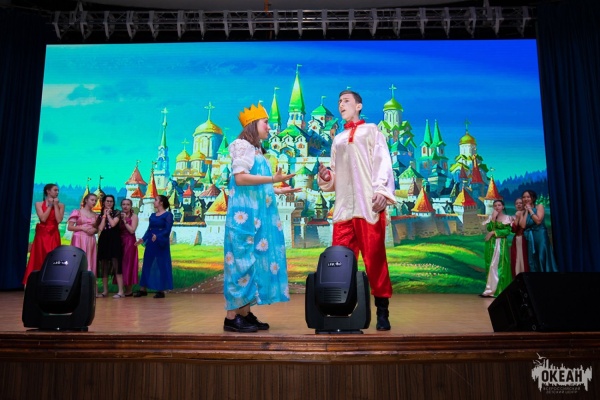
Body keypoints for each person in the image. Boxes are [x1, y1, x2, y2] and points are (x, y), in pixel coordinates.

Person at [317, 90, 396, 331]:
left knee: (375, 260)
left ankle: (382, 311)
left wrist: (381, 191)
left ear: (359, 106)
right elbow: (335, 173)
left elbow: (383, 162)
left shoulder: (371, 131)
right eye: (339, 101)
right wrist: (327, 177)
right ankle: (341, 310)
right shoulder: (338, 139)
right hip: (343, 209)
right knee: (340, 263)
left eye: (346, 101)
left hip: (367, 207)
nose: (341, 104)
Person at [223, 103, 300, 333]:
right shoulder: (241, 145)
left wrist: (277, 190)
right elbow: (240, 178)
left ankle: (244, 313)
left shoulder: (256, 151)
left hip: (255, 216)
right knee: (240, 263)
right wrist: (272, 180)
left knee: (252, 263)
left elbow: (254, 185)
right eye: (265, 122)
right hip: (244, 218)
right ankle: (231, 317)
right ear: (253, 124)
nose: (269, 127)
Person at [22, 183, 65, 285]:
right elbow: (43, 218)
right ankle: (35, 283)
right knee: (39, 257)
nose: (57, 192)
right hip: (42, 235)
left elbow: (59, 220)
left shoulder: (61, 205)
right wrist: (50, 205)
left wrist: (55, 205)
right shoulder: (38, 204)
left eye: (58, 190)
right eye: (55, 190)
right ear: (48, 191)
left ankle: (51, 282)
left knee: (52, 257)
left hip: (53, 234)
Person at [134, 195, 174, 298]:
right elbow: (149, 230)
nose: (153, 202)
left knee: (161, 265)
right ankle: (143, 289)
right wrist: (143, 239)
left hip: (161, 243)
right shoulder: (152, 215)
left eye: (156, 200)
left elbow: (167, 230)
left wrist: (158, 236)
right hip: (151, 242)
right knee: (147, 263)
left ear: (161, 202)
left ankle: (161, 290)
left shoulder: (168, 215)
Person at [480, 199, 513, 298]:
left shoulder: (507, 218)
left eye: (499, 205)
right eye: (495, 206)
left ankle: (500, 290)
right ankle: (490, 290)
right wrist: (493, 219)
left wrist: (494, 233)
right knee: (491, 266)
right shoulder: (491, 217)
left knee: (500, 265)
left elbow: (507, 231)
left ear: (503, 207)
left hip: (501, 244)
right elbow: (489, 228)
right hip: (491, 244)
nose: (497, 207)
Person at [520, 189, 558, 272]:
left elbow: (538, 221)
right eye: (524, 197)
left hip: (540, 235)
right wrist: (526, 212)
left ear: (533, 198)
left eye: (528, 197)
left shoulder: (539, 206)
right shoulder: (523, 212)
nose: (526, 199)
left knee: (542, 256)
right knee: (532, 258)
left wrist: (530, 210)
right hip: (530, 237)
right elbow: (523, 225)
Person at [96, 195, 124, 298]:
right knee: (104, 265)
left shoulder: (117, 212)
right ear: (103, 202)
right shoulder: (100, 215)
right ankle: (105, 291)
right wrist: (104, 215)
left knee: (116, 264)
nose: (109, 203)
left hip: (114, 239)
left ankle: (121, 291)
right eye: (107, 201)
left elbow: (113, 224)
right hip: (104, 240)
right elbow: (100, 228)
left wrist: (108, 215)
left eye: (111, 201)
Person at [67, 193, 98, 277]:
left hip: (90, 240)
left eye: (96, 201)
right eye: (92, 200)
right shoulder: (77, 212)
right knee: (78, 259)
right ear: (86, 200)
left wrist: (95, 230)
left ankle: (88, 281)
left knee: (89, 259)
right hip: (78, 239)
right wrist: (82, 228)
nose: (94, 202)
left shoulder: (95, 215)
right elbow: (70, 227)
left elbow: (97, 229)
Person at [119, 199, 139, 297]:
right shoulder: (118, 215)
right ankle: (121, 289)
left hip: (130, 242)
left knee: (128, 264)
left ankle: (129, 289)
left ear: (131, 206)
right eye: (123, 204)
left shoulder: (134, 216)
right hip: (120, 241)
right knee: (120, 264)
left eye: (127, 204)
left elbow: (132, 230)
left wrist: (124, 221)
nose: (125, 206)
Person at [510, 197, 529, 277]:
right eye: (517, 203)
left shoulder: (528, 215)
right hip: (517, 240)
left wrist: (523, 214)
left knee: (525, 259)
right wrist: (517, 217)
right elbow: (513, 230)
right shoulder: (513, 217)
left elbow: (524, 226)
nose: (518, 205)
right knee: (516, 259)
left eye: (520, 203)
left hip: (527, 240)